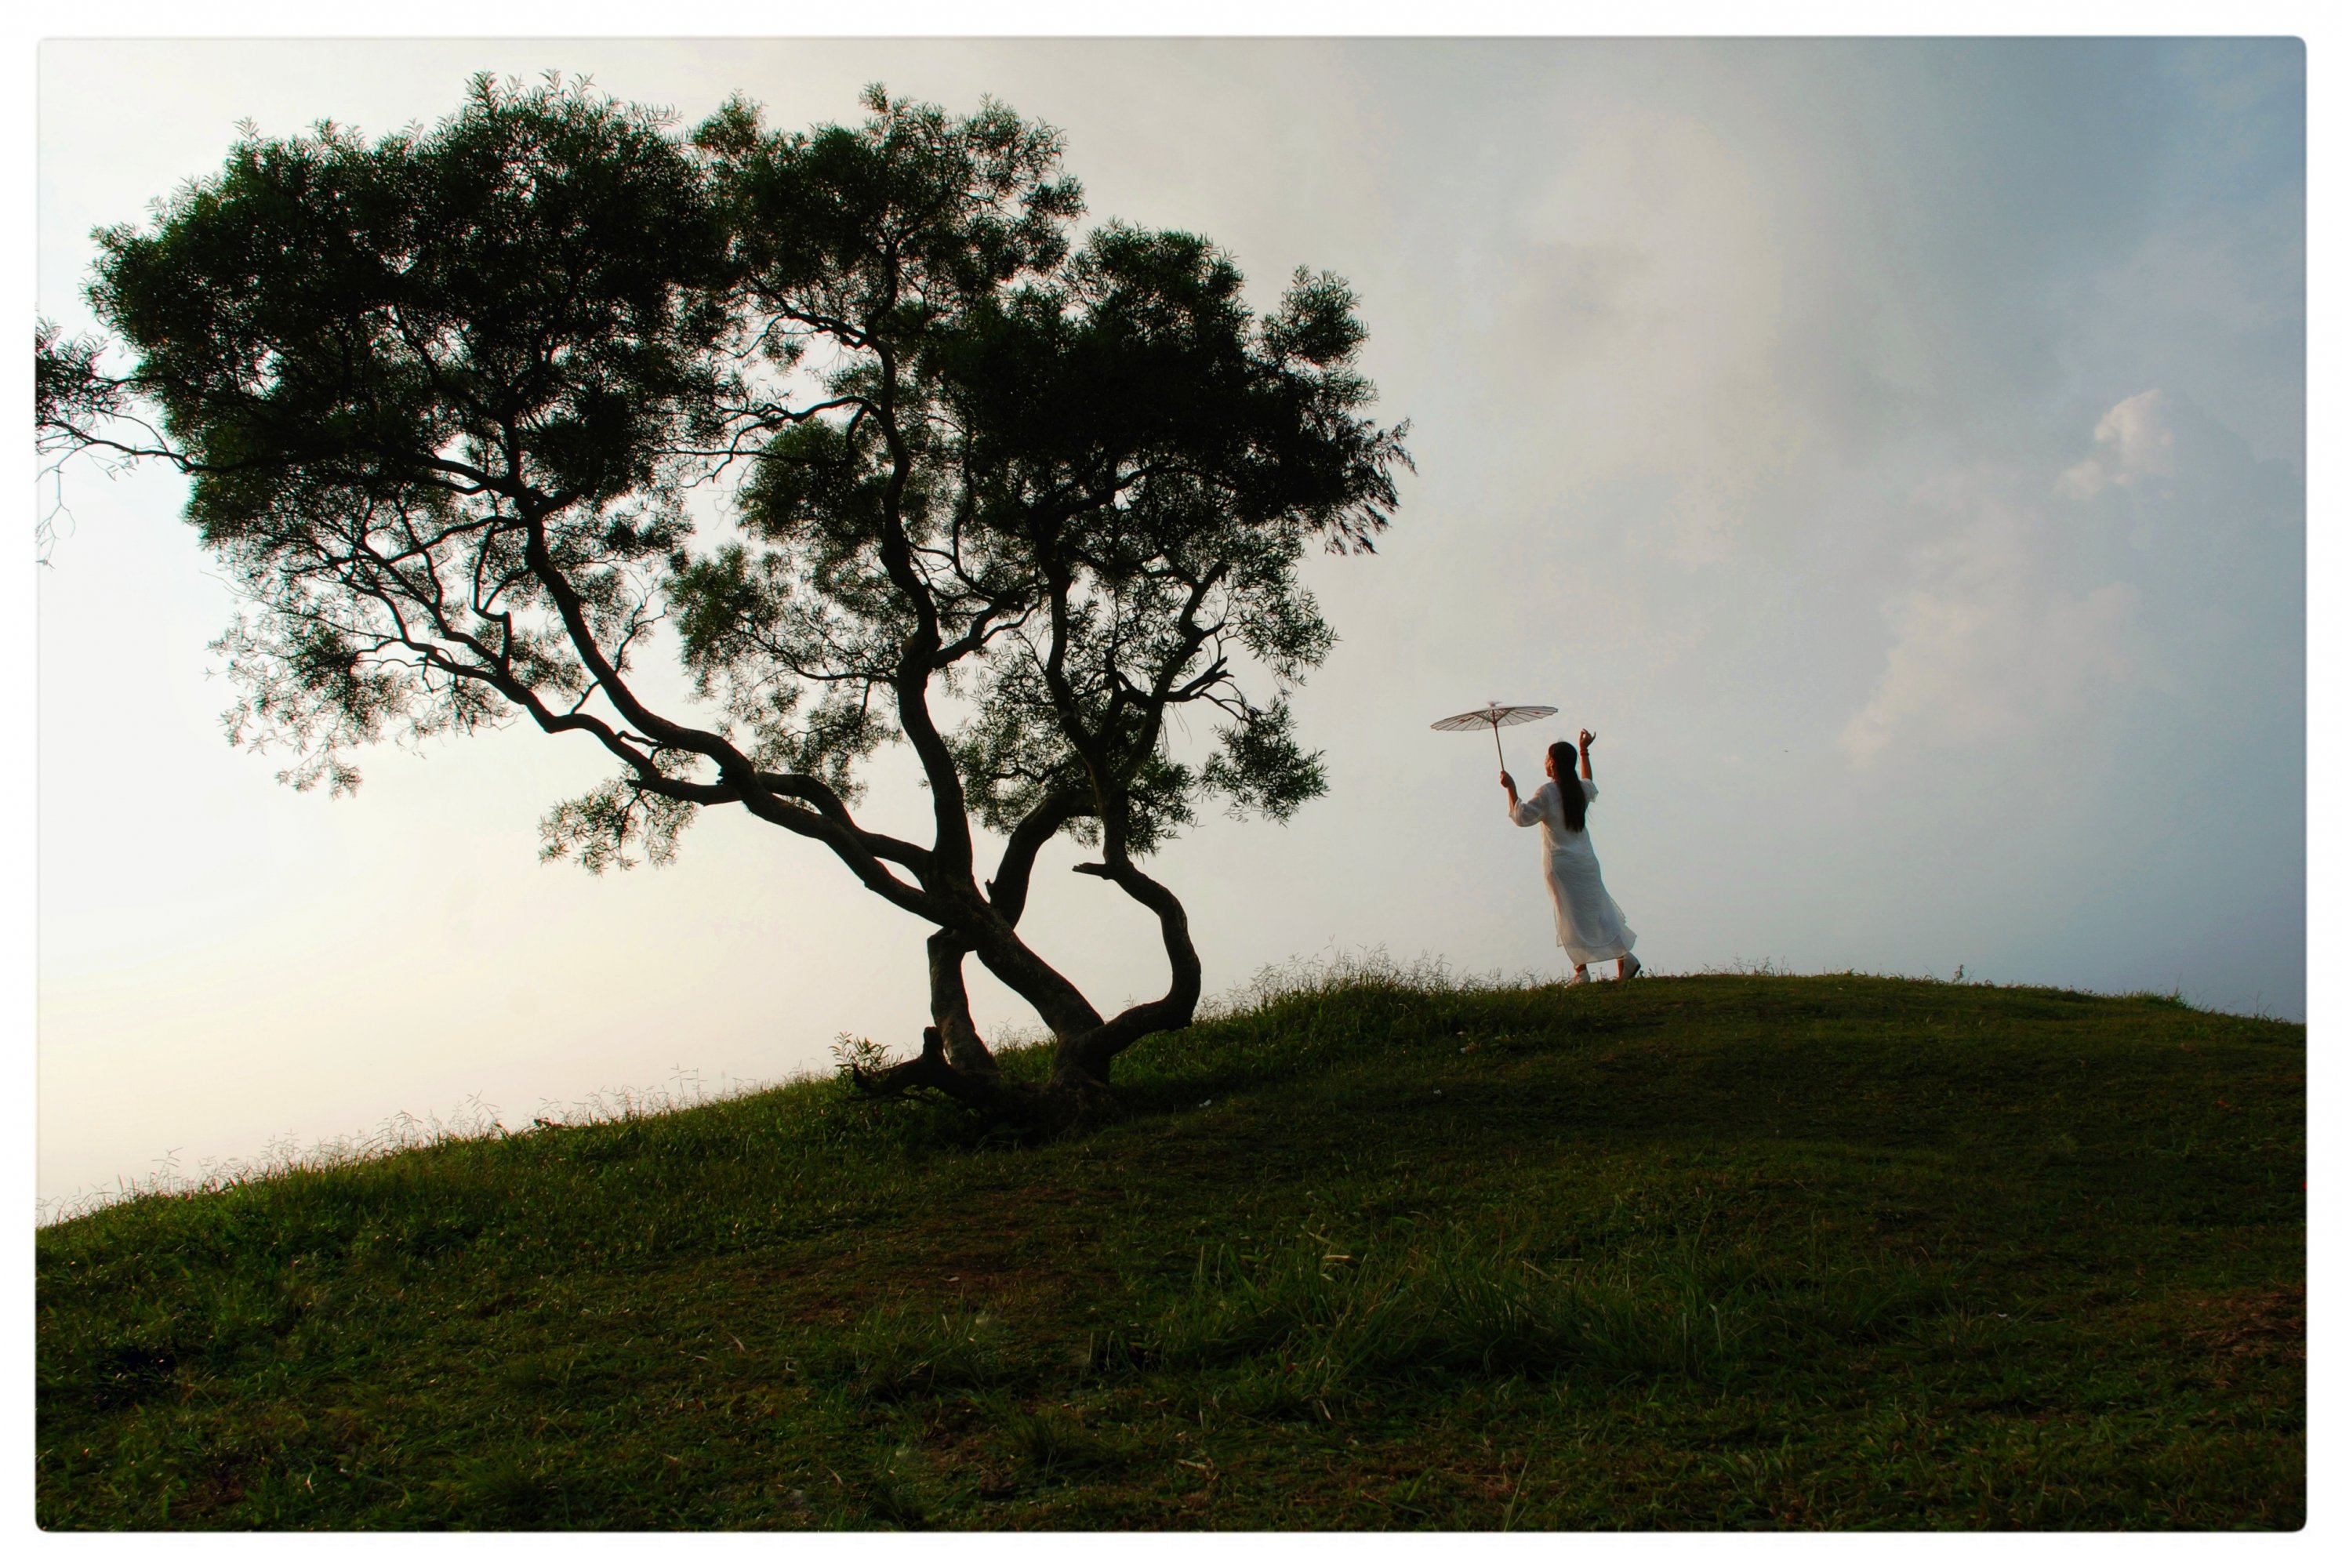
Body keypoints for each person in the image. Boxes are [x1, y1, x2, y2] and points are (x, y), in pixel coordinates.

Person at [1500, 728, 1641, 984]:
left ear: (1553, 763)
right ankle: (1624, 958)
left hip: (1562, 865)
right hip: (1586, 862)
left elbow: (1522, 817)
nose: (1545, 762)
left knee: (1569, 916)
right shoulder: (1579, 790)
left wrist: (1511, 788)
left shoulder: (1547, 792)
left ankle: (1581, 971)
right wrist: (1585, 751)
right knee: (1600, 910)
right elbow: (1589, 781)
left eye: (1547, 758)